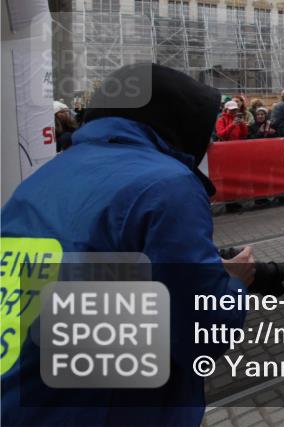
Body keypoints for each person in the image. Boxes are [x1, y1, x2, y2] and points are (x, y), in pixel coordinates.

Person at [1, 63, 253, 427]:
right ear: (178, 120)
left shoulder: (45, 175)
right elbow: (203, 333)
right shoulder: (167, 184)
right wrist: (234, 283)